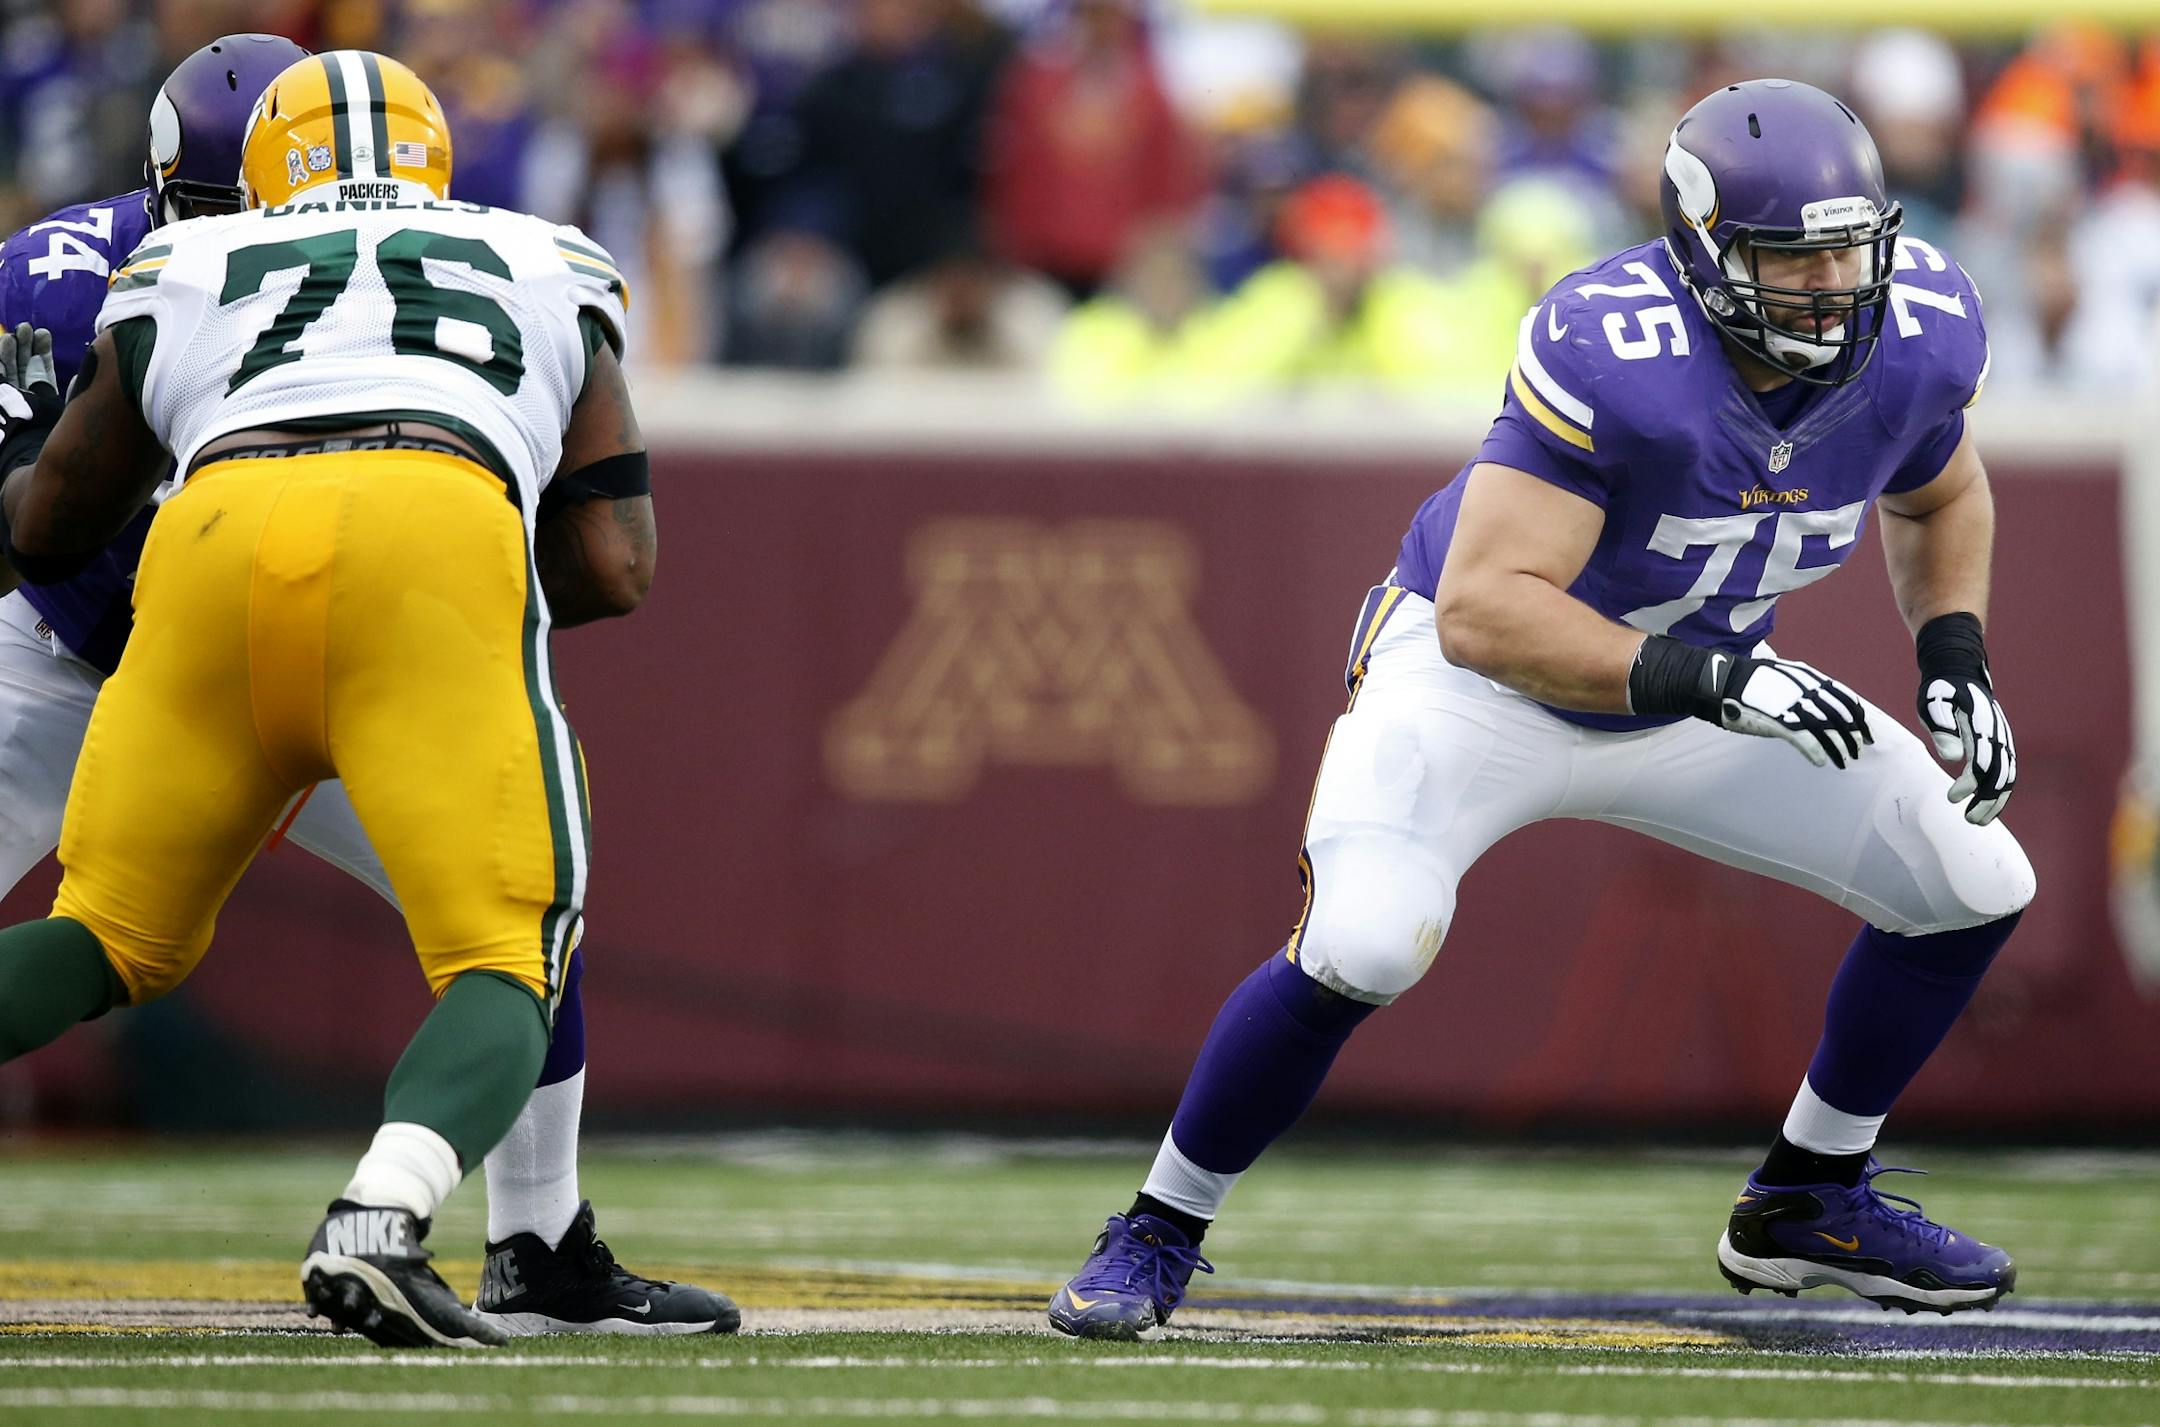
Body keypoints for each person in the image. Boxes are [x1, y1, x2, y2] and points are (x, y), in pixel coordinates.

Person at [1048, 78, 2034, 1340]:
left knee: (1973, 880)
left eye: (1853, 247)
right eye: (1794, 258)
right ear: (1704, 250)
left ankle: (1806, 1196)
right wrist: (1718, 678)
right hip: (1486, 689)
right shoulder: (1617, 350)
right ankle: (1159, 1223)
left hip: (1704, 688)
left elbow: (1942, 493)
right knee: (1365, 941)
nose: (1835, 284)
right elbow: (1488, 610)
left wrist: (1955, 654)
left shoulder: (1916, 328)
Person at [0, 47, 720, 1349]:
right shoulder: (542, 253)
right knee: (512, 935)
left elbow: (49, 516)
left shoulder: (178, 265)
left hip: (198, 573)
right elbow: (617, 567)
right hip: (401, 559)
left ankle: (542, 1239)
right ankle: (383, 1217)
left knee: (103, 933)